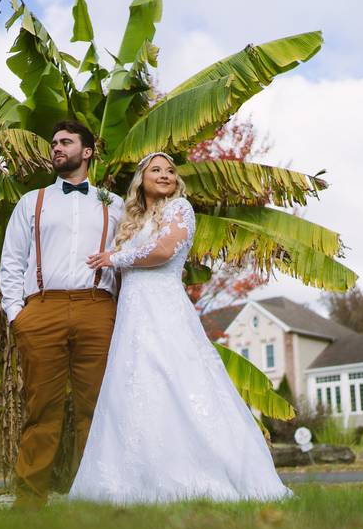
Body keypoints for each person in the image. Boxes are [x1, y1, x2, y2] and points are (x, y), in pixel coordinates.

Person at [68, 152, 293, 504]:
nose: (165, 175)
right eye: (155, 170)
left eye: (170, 170)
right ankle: (134, 479)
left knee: (180, 380)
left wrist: (116, 257)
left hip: (165, 309)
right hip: (133, 314)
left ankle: (206, 471)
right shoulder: (132, 220)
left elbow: (163, 251)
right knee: (133, 385)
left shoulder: (180, 209)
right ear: (140, 179)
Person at [0, 120, 124, 509]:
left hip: (97, 309)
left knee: (96, 409)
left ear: (86, 152)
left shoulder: (113, 203)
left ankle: (93, 497)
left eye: (66, 142)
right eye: (54, 143)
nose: (57, 148)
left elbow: (127, 259)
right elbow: (12, 261)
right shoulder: (31, 202)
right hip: (43, 310)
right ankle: (29, 500)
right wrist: (17, 314)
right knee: (42, 409)